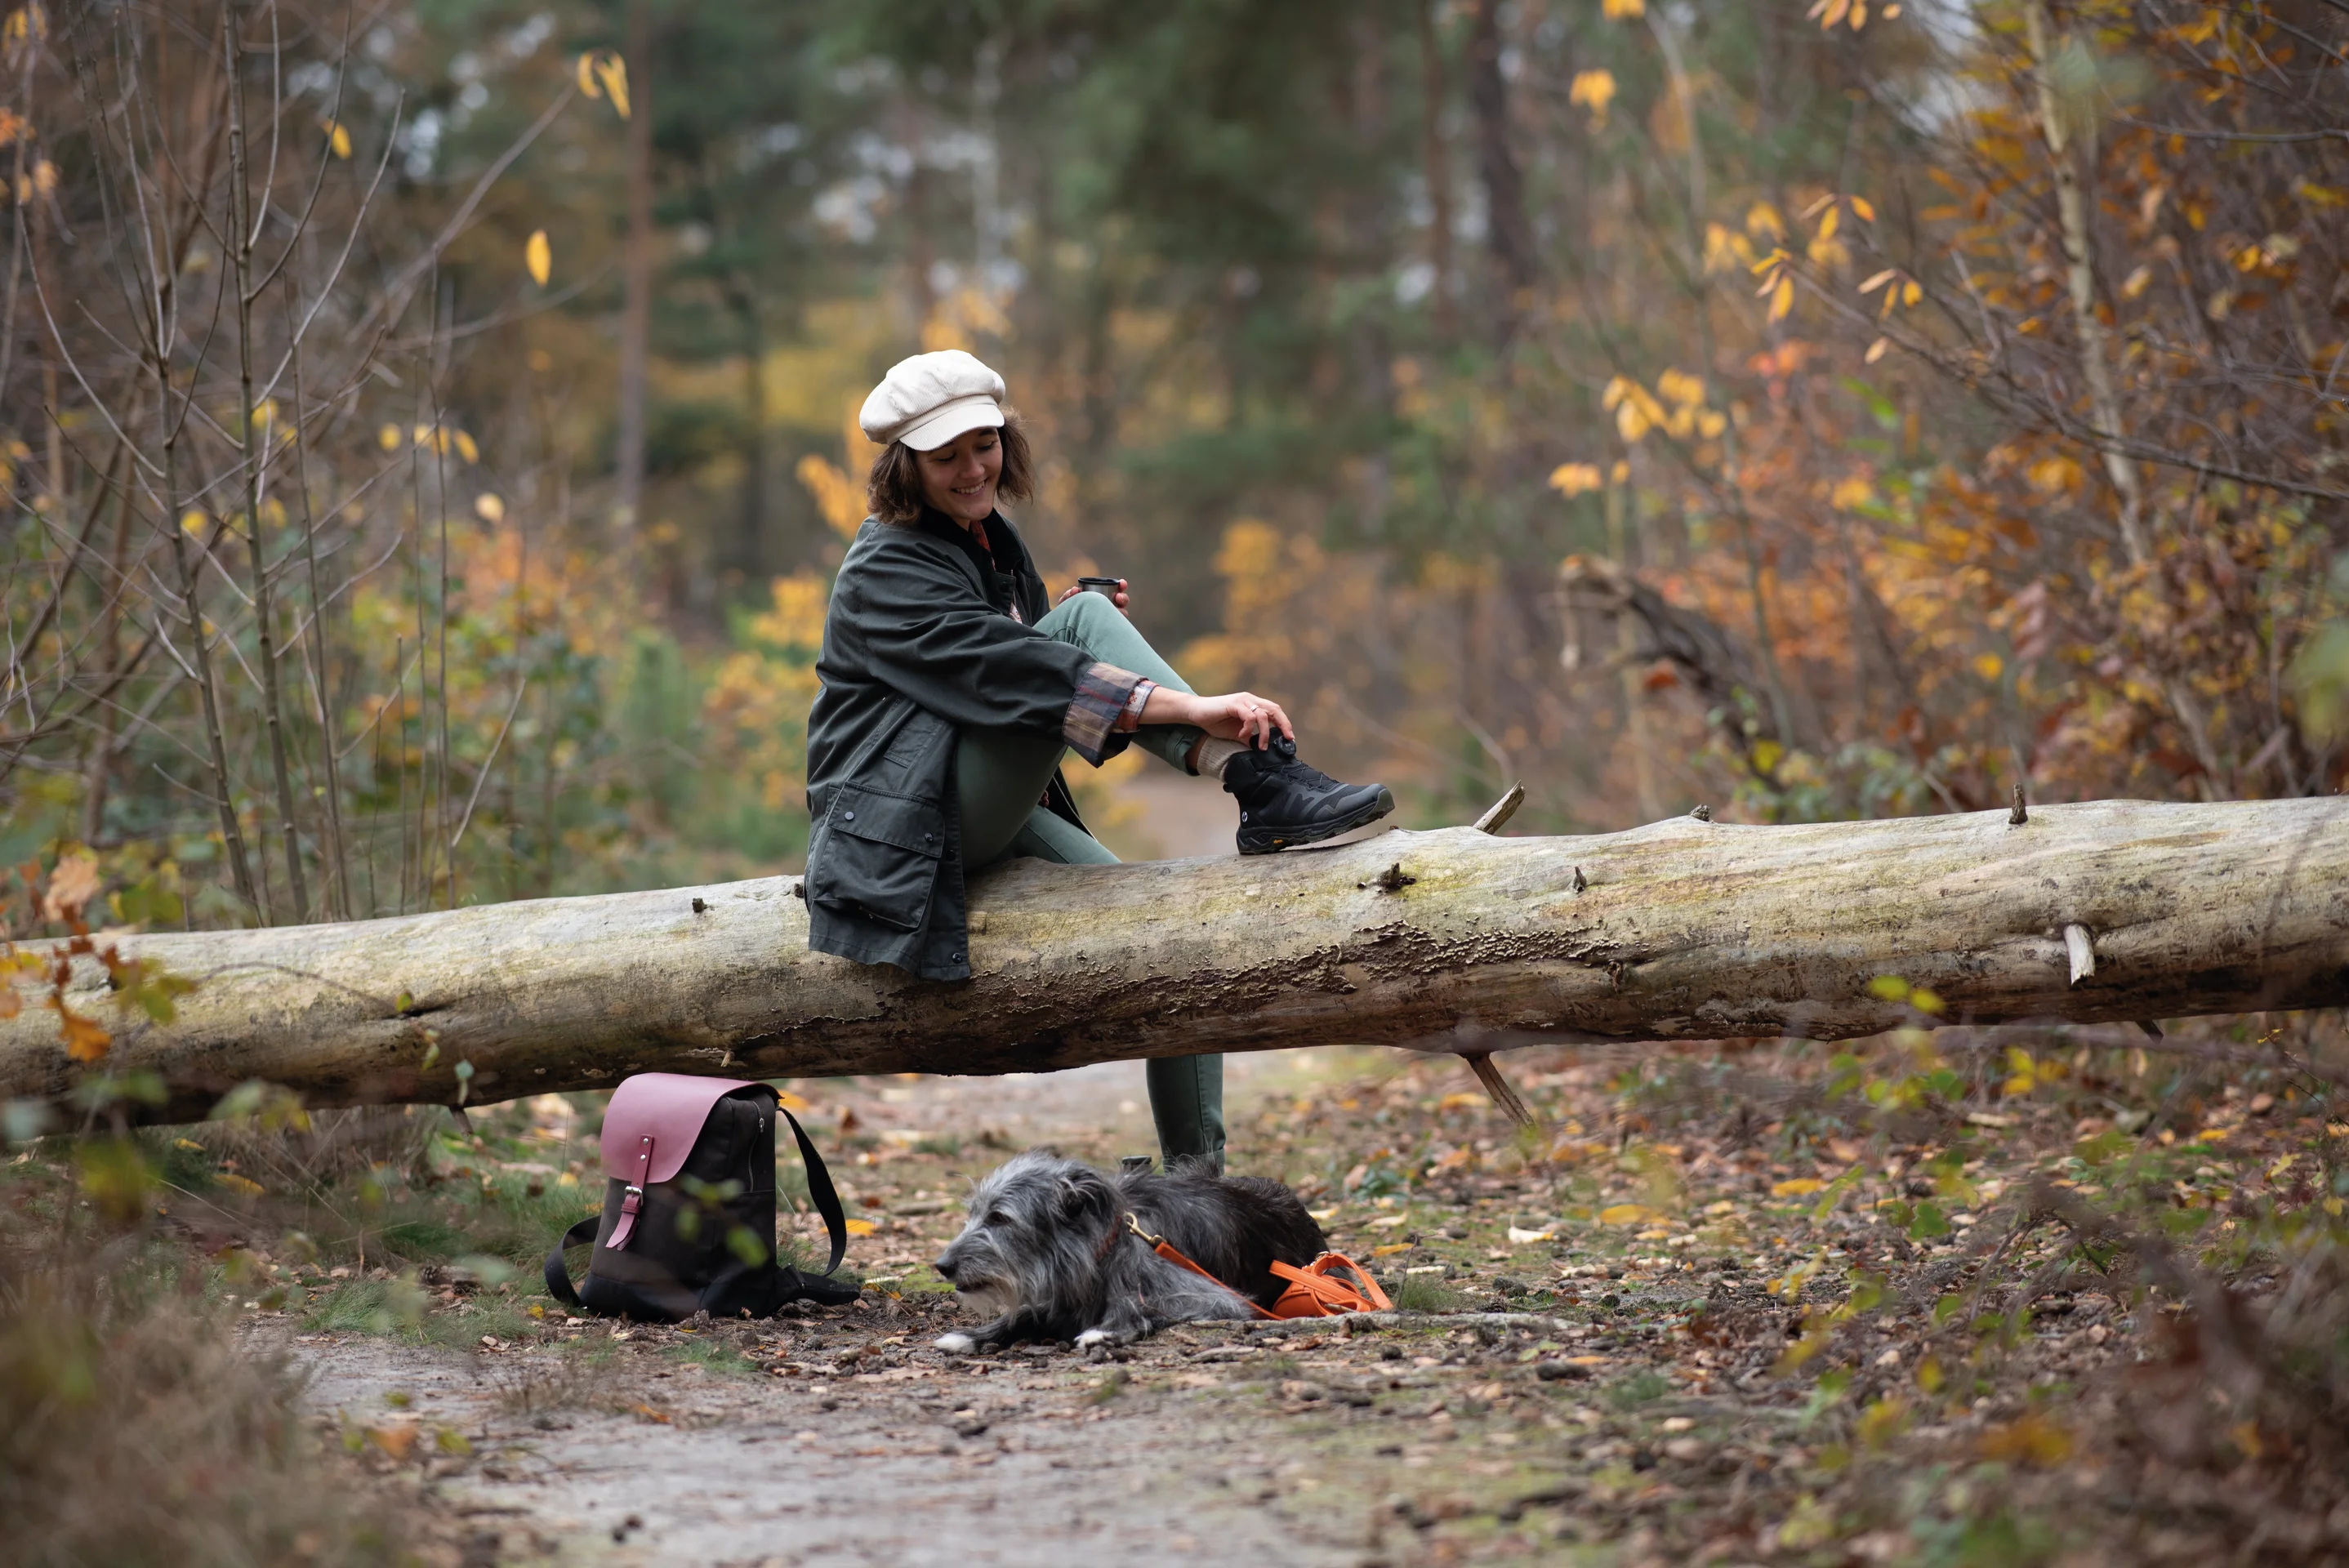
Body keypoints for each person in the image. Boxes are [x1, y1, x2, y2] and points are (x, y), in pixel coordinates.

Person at [803, 350, 1394, 1174]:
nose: (973, 470)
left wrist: (1068, 632)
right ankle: (1250, 776)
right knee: (1080, 623)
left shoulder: (984, 541)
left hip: (957, 801)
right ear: (907, 467)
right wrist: (1185, 703)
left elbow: (1015, 668)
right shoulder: (885, 566)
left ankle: (1198, 1188)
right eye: (946, 457)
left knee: (1170, 950)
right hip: (895, 823)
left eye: (984, 445)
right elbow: (1010, 675)